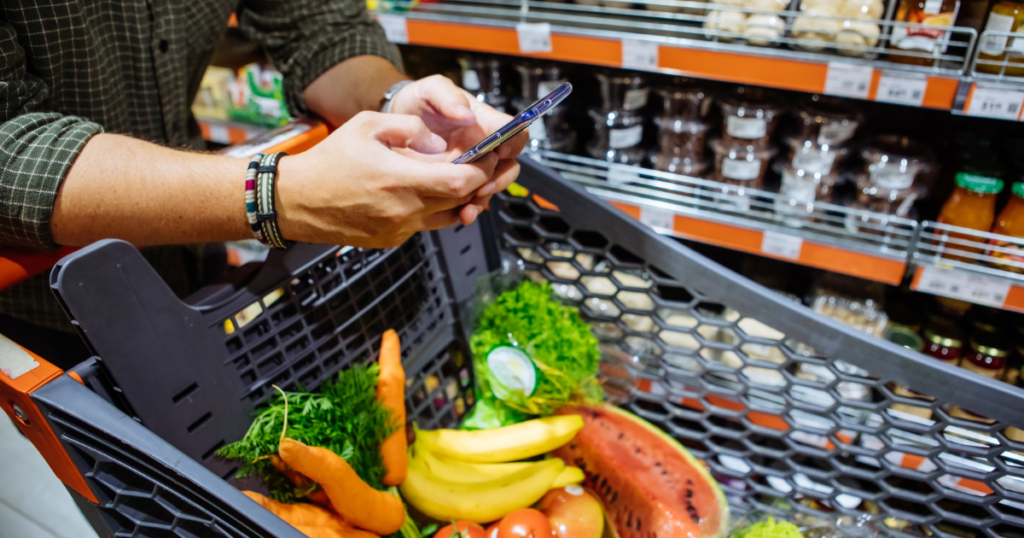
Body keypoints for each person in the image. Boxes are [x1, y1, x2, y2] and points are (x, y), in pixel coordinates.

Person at [0, 0, 526, 369]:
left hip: (192, 262)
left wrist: (393, 100)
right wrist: (278, 197)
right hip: (49, 301)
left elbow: (320, 26)